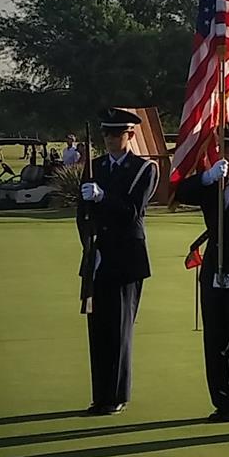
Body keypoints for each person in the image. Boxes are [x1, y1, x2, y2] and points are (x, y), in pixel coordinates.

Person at [175, 123, 229, 422]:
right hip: (214, 268)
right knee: (215, 340)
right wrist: (206, 177)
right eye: (224, 149)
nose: (227, 154)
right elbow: (180, 192)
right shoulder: (213, 184)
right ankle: (221, 399)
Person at [77, 108, 159, 415]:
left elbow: (133, 212)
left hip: (127, 258)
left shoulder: (143, 169)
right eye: (107, 135)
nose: (111, 140)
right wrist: (89, 247)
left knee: (120, 328)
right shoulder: (95, 167)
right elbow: (82, 216)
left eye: (117, 134)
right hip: (99, 258)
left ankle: (117, 395)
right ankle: (100, 395)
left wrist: (103, 197)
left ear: (130, 135)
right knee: (98, 329)